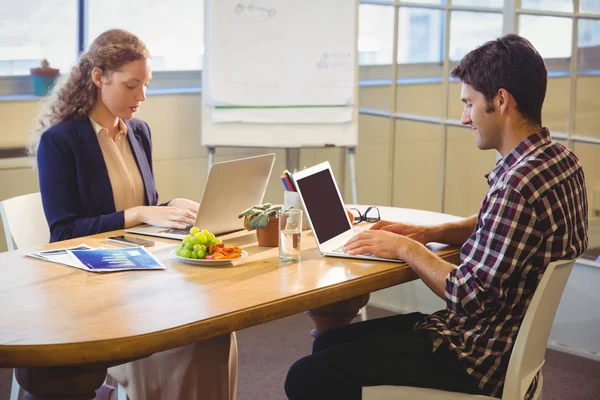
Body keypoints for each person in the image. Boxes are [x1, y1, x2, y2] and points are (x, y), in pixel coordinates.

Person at [285, 34, 588, 400]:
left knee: (305, 376)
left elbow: (467, 296)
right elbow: (498, 224)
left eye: (469, 103)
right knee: (332, 342)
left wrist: (404, 248)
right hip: (499, 345)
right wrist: (428, 232)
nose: (464, 118)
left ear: (501, 100)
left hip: (474, 357)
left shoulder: (517, 186)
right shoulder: (558, 162)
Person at [29, 29, 237, 400]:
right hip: (97, 295)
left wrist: (168, 207)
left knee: (216, 330)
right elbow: (64, 232)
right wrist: (140, 213)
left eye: (146, 84)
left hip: (147, 277)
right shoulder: (61, 141)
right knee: (189, 341)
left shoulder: (138, 132)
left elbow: (145, 206)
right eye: (131, 85)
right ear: (98, 78)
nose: (141, 97)